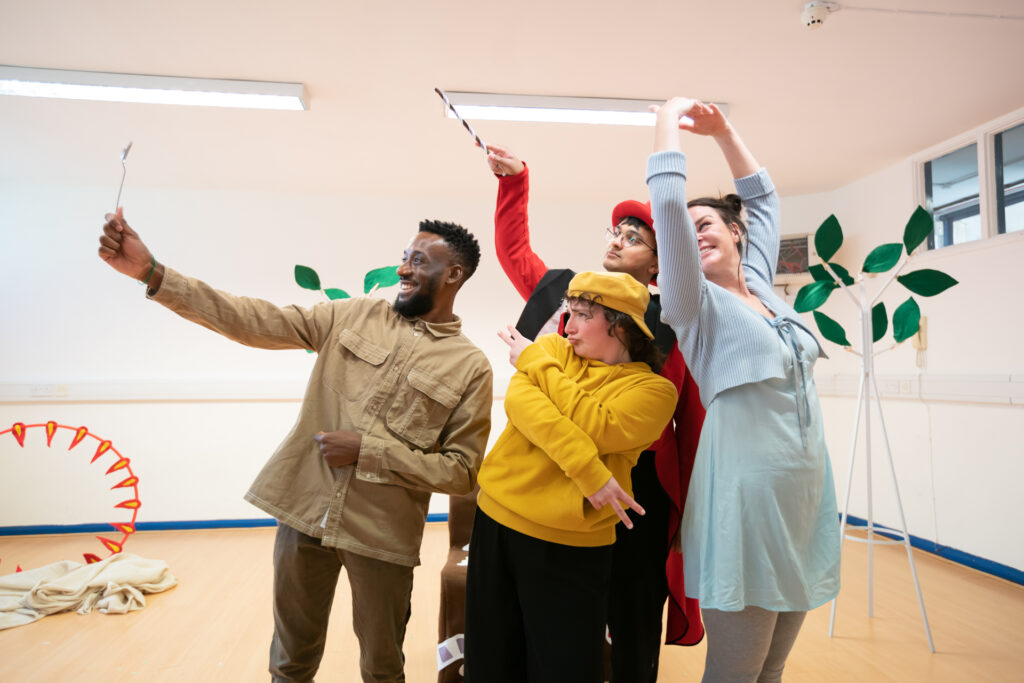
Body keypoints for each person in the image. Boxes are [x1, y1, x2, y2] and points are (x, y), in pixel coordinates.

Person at [97, 210, 493, 683]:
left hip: (383, 536)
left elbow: (461, 472)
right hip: (304, 512)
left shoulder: (470, 367)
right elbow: (253, 319)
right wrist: (153, 272)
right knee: (289, 662)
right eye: (403, 258)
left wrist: (369, 449)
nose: (404, 269)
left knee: (383, 668)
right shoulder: (353, 315)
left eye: (419, 260)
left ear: (453, 274)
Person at [485, 144, 706, 681]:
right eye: (615, 233)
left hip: (638, 480)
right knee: (551, 620)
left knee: (632, 608)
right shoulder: (567, 292)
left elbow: (690, 419)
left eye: (634, 238)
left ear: (659, 263)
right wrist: (514, 182)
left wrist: (687, 509)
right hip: (547, 472)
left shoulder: (678, 317)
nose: (617, 240)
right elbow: (516, 254)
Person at [646, 97, 841, 682]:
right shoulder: (693, 306)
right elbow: (667, 206)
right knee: (736, 671)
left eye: (704, 223)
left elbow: (763, 199)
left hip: (804, 497)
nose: (691, 233)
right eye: (682, 229)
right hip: (745, 504)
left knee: (773, 669)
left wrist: (724, 131)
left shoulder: (763, 286)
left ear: (737, 234)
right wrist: (667, 116)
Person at [463, 271, 678, 683]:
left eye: (584, 315)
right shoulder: (552, 350)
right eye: (569, 312)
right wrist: (591, 473)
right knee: (489, 659)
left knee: (563, 667)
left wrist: (533, 363)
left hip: (571, 543)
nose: (569, 325)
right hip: (496, 518)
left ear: (621, 325)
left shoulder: (655, 392)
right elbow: (524, 407)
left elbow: (598, 424)